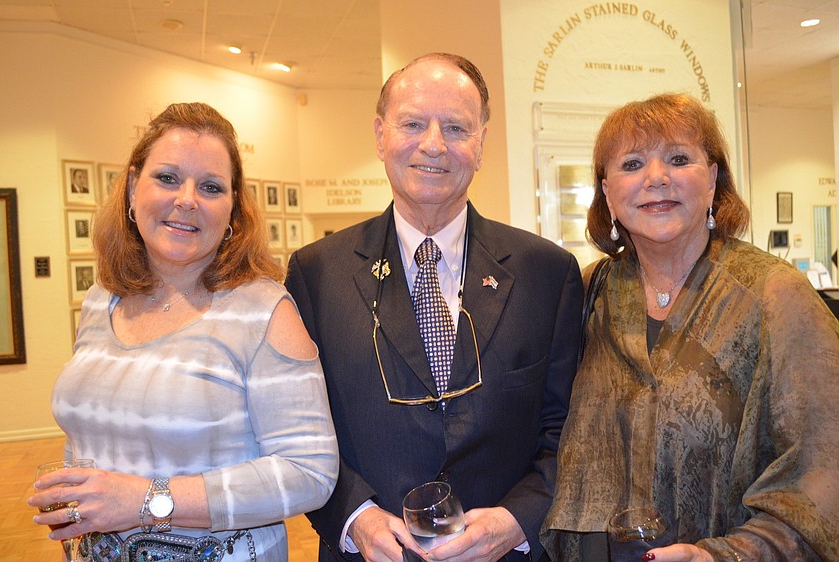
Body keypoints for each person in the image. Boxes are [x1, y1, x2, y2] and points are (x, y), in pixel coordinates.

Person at [285, 53, 583, 562]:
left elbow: (571, 431)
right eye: (413, 124)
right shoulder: (317, 273)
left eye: (456, 127)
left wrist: (516, 521)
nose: (433, 145)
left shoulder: (547, 273)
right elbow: (301, 430)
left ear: (481, 143)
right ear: (380, 135)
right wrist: (355, 518)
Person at [29, 102, 339, 561]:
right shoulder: (102, 298)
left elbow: (309, 472)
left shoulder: (263, 310)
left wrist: (144, 500)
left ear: (232, 210)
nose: (187, 199)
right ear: (134, 187)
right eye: (168, 178)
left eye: (211, 187)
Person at [541, 93, 839, 561]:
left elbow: (824, 466)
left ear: (713, 177)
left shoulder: (775, 296)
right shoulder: (587, 293)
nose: (656, 178)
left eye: (679, 159)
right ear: (607, 192)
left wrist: (725, 555)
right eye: (633, 163)